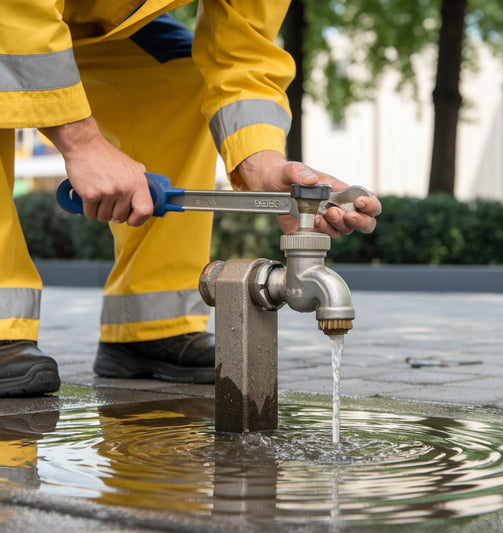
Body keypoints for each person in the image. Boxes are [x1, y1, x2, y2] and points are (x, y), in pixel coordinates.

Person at [0, 1, 381, 397]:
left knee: (179, 74)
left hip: (89, 19)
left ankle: (150, 328)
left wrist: (260, 164)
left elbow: (243, 50)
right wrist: (81, 141)